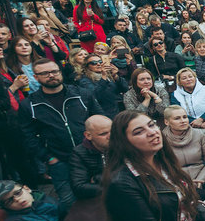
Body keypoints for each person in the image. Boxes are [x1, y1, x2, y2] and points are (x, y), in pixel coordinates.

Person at [18, 59, 102, 208]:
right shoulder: (29, 104)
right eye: (44, 73)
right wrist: (49, 158)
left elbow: (100, 119)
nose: (51, 75)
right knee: (70, 203)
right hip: (60, 160)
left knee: (101, 195)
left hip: (91, 155)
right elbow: (27, 136)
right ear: (36, 77)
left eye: (54, 71)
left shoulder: (82, 94)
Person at [163, 106, 205, 200]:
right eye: (177, 118)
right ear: (166, 122)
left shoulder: (199, 134)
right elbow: (162, 167)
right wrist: (181, 183)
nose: (183, 120)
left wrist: (201, 180)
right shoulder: (162, 140)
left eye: (185, 117)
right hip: (177, 183)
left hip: (202, 179)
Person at [69, 115, 111, 200]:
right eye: (103, 134)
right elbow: (79, 187)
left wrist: (98, 178)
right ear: (88, 135)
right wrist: (113, 189)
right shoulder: (79, 153)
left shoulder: (121, 145)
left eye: (113, 131)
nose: (110, 136)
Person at [77, 53, 125, 118]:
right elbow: (95, 96)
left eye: (100, 62)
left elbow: (125, 89)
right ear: (87, 66)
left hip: (116, 112)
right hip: (101, 115)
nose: (98, 64)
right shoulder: (84, 80)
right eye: (94, 63)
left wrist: (115, 76)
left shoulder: (108, 76)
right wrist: (104, 77)